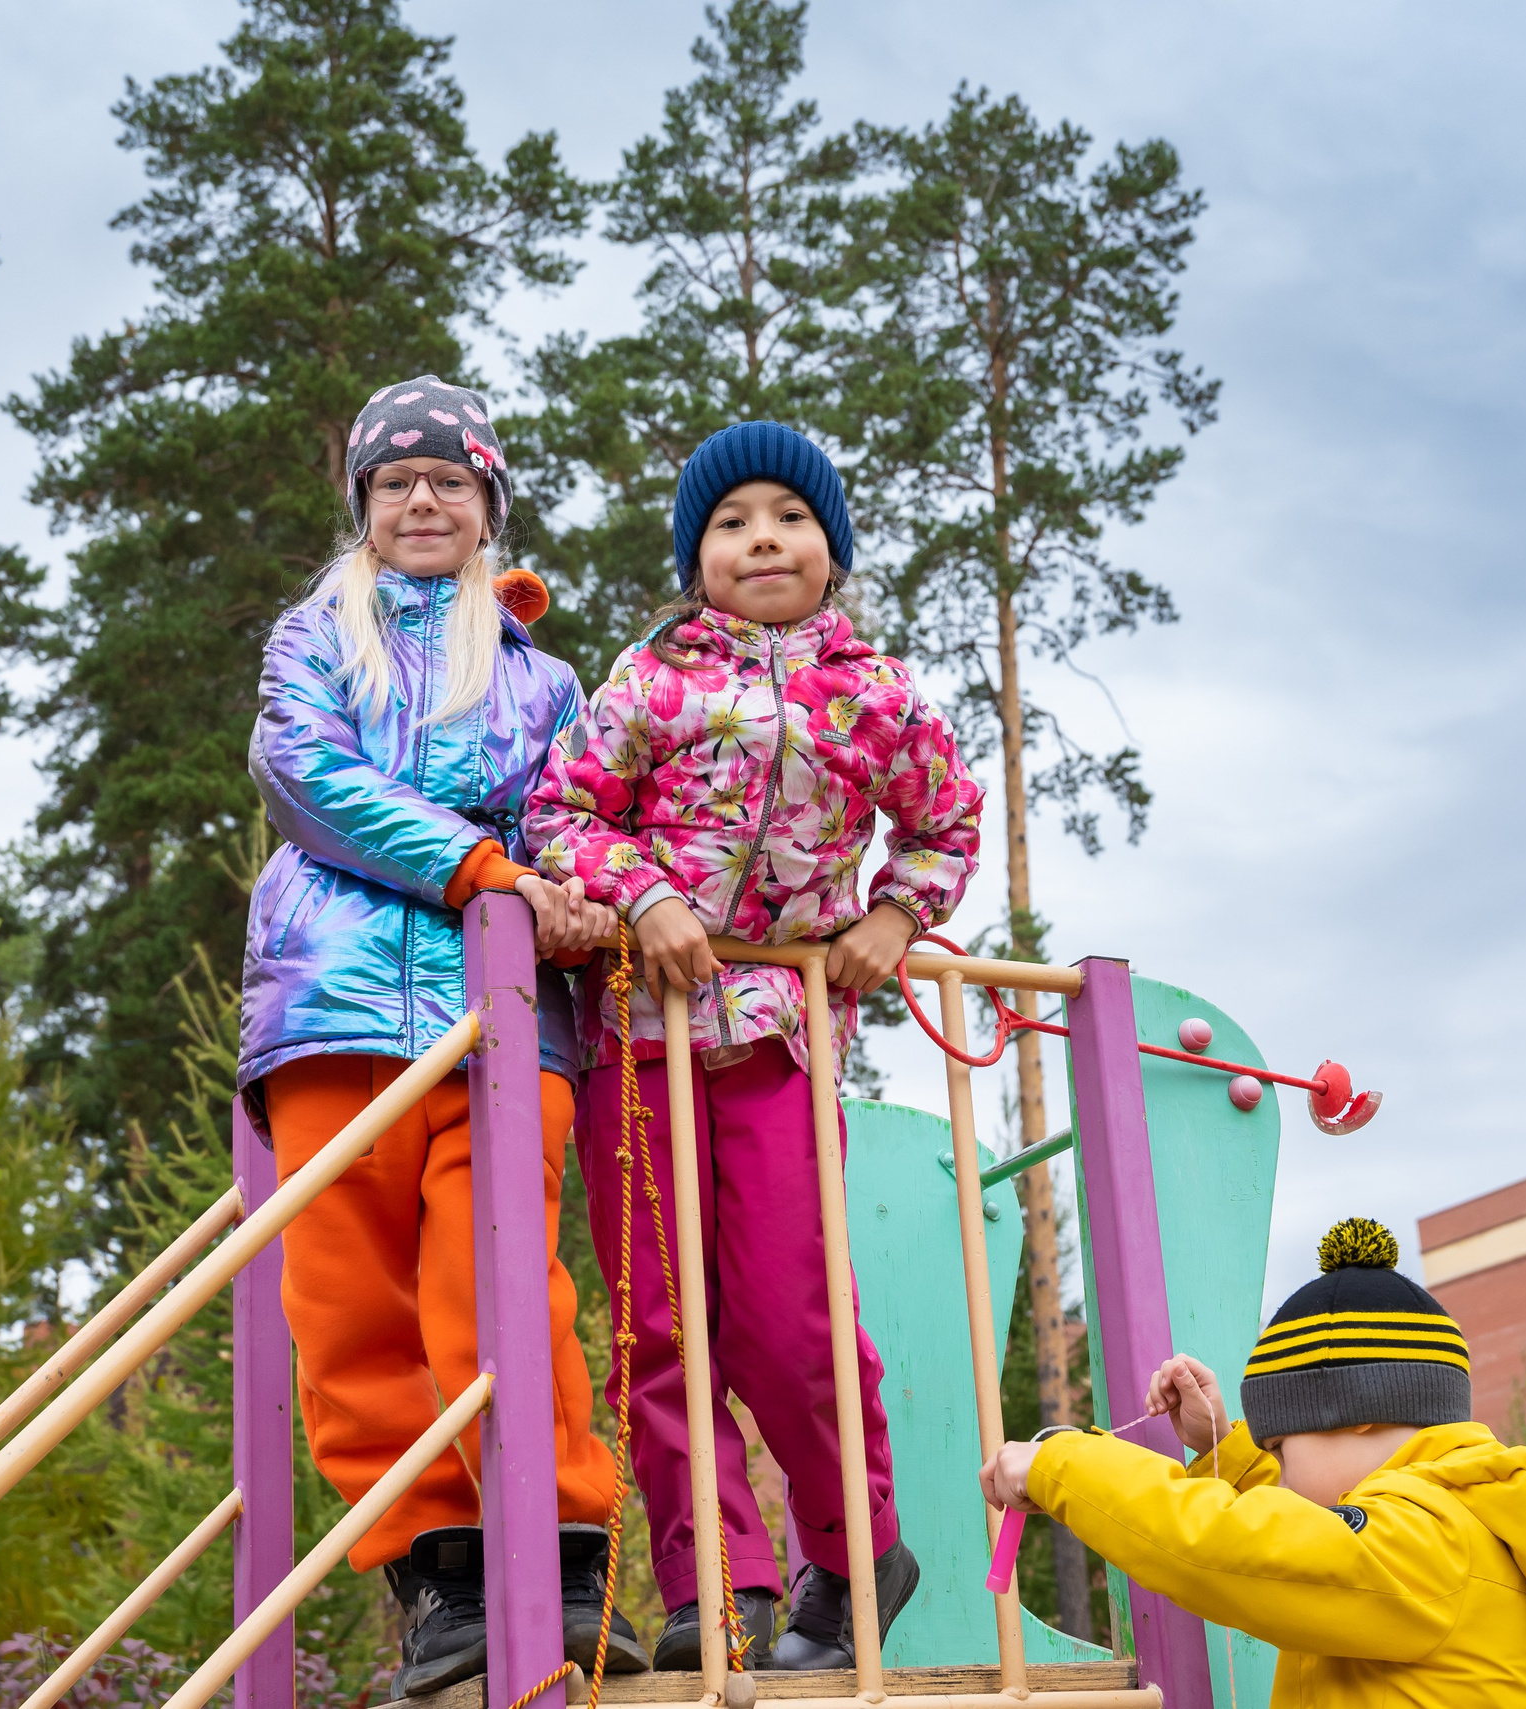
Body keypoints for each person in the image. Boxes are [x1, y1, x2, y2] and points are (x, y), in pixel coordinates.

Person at [522, 420, 985, 1672]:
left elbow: (944, 825)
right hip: (637, 1031)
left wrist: (896, 916)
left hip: (778, 1035)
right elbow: (561, 814)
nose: (762, 538)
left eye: (789, 517)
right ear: (697, 560)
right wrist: (643, 896)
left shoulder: (877, 694)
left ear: (831, 547)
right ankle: (714, 1585)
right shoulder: (651, 680)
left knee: (791, 1314)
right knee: (664, 1325)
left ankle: (852, 1550)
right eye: (731, 523)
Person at [237, 376, 643, 1699]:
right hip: (332, 1001)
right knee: (347, 1298)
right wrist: (480, 868)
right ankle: (437, 1572)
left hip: (503, 1016)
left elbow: (574, 823)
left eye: (449, 480)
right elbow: (306, 772)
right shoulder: (317, 634)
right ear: (363, 504)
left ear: (487, 505)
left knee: (504, 1283)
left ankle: (567, 1553)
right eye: (395, 481)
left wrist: (576, 897)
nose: (422, 499)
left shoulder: (541, 679)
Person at [978, 1218, 1526, 1707]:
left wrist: (1058, 1463)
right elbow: (1320, 1533)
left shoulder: (1430, 1542)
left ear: (1360, 1414)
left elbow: (1232, 1546)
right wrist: (1224, 1449)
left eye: (1280, 1449)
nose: (1281, 1476)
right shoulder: (1460, 1521)